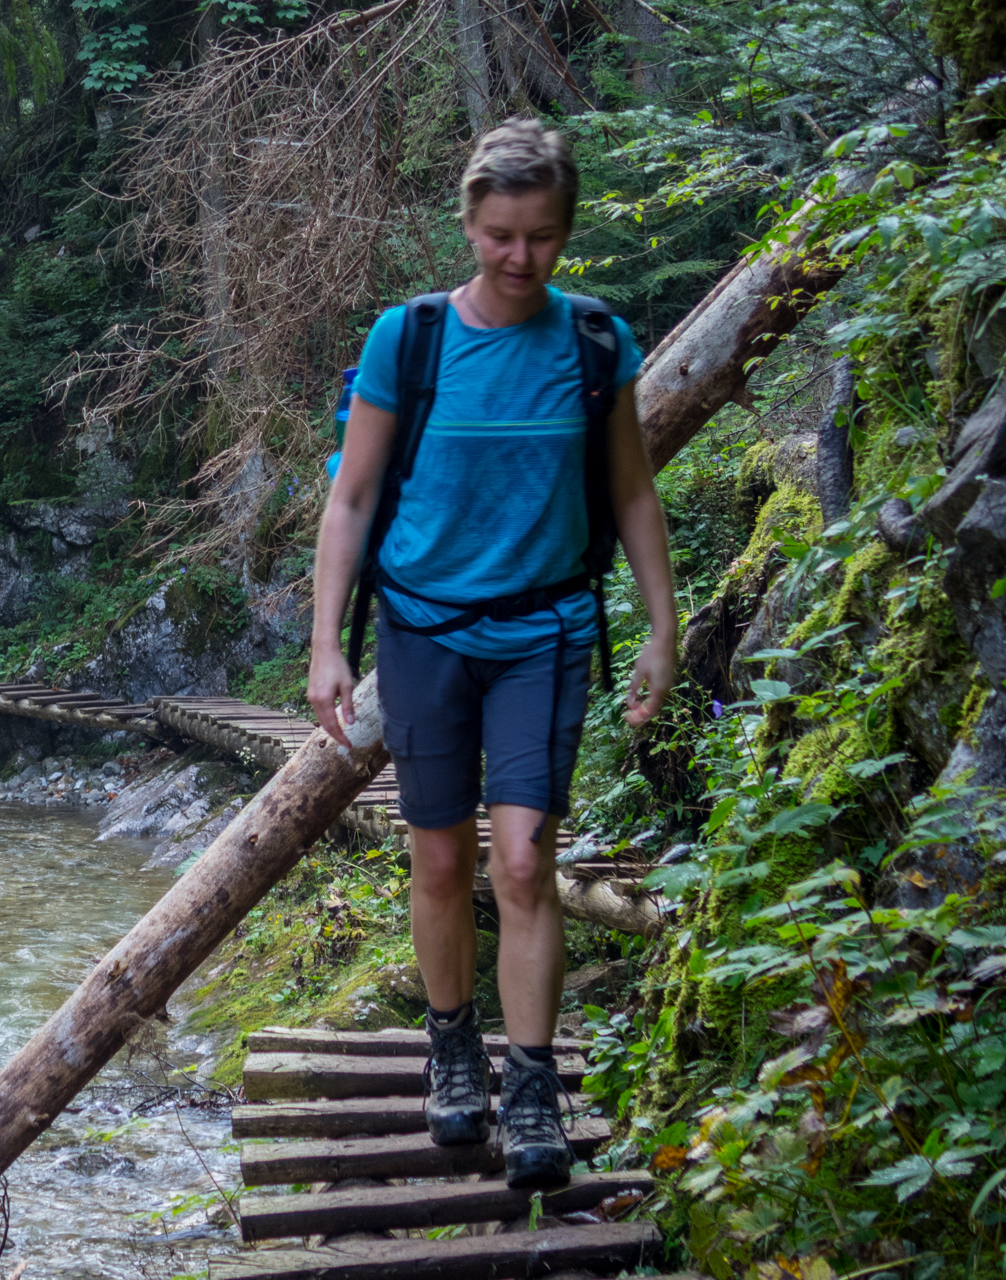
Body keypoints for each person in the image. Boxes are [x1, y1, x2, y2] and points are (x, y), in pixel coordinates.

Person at [307, 119, 676, 1189]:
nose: (521, 259)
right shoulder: (409, 339)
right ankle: (451, 1045)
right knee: (439, 857)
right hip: (422, 629)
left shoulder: (594, 343)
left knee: (522, 860)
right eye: (502, 235)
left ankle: (528, 1083)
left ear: (565, 232)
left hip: (546, 632)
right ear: (468, 222)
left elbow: (632, 488)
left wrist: (660, 624)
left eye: (544, 237)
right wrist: (328, 645)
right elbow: (353, 495)